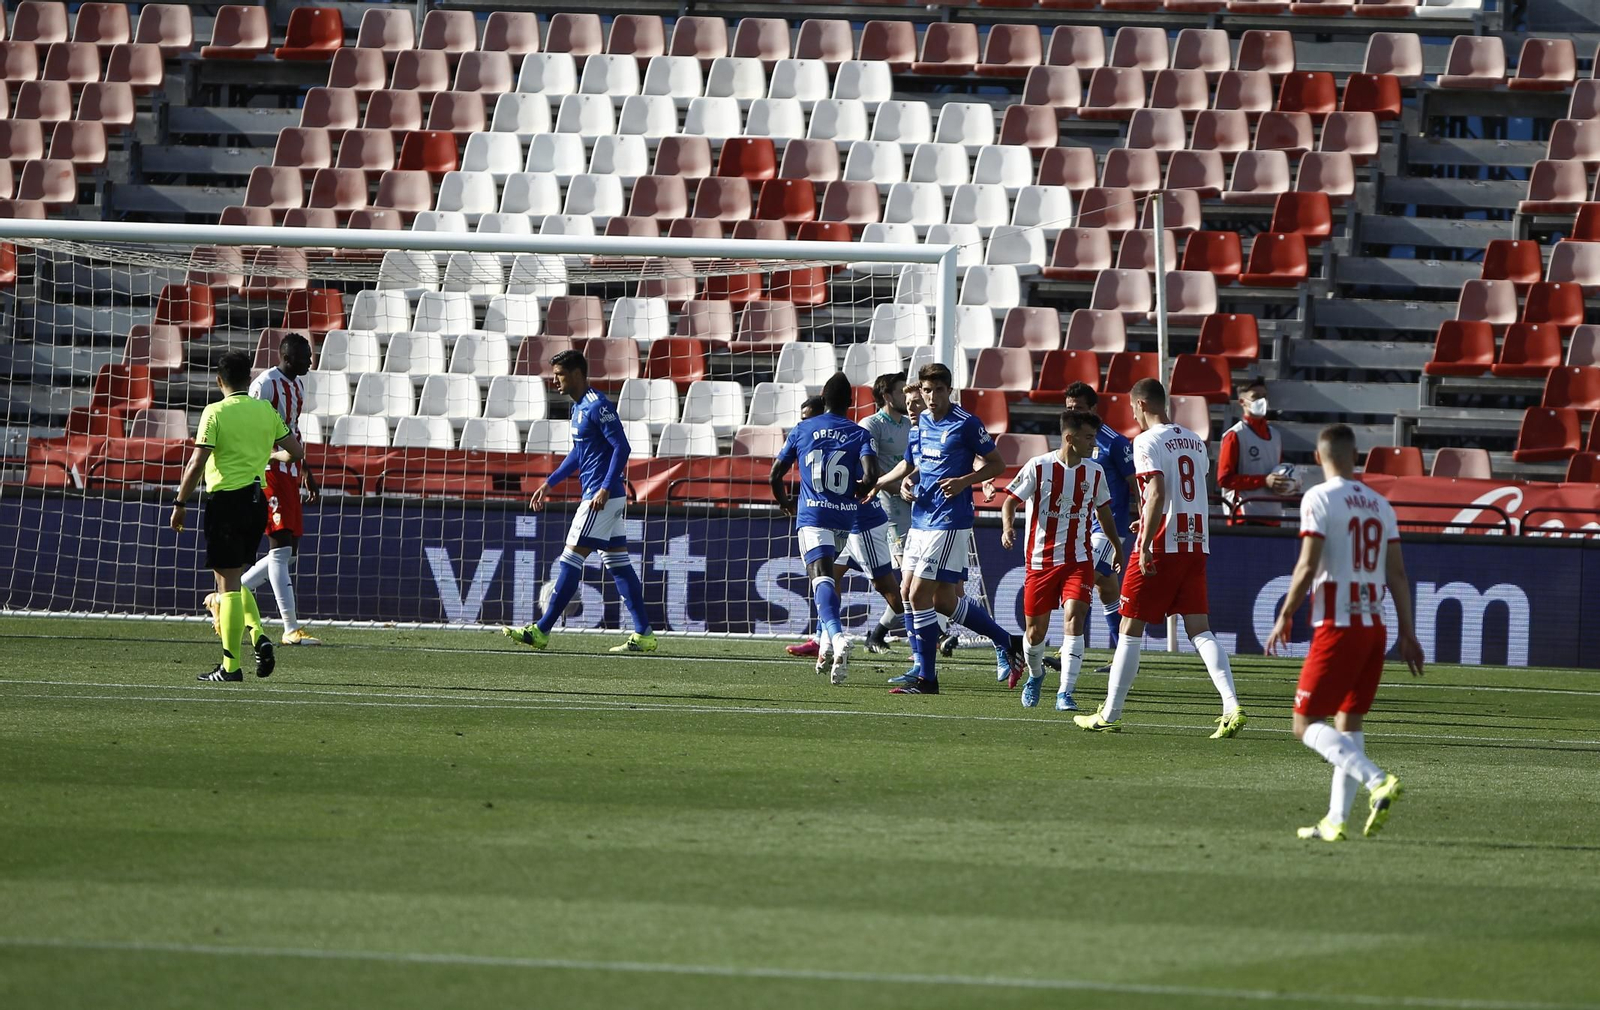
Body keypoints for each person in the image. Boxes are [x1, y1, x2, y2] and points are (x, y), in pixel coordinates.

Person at [1267, 424, 1424, 842]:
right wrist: (1408, 633)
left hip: (1338, 624)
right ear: (1356, 457)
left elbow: (1306, 565)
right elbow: (1398, 574)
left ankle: (1378, 781)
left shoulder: (1319, 497)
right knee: (1348, 721)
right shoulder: (1380, 504)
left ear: (1318, 459)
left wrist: (1286, 614)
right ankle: (1335, 820)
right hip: (1375, 626)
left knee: (1304, 724)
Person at [1073, 377, 1247, 737]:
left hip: (1163, 545)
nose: (1133, 415)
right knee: (1199, 628)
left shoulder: (1146, 440)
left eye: (1133, 408)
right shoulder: (1195, 441)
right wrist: (1153, 519)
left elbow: (1156, 491)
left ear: (1141, 405)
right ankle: (1232, 706)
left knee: (1129, 627)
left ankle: (1110, 712)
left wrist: (1148, 540)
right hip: (1197, 542)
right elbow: (1189, 489)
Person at [874, 363, 1023, 695]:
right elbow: (914, 464)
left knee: (916, 594)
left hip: (950, 521)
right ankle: (1005, 641)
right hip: (921, 517)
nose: (930, 397)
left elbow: (996, 464)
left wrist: (965, 482)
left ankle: (927, 678)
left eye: (937, 390)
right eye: (926, 390)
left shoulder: (966, 424)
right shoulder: (921, 422)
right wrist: (905, 483)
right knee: (938, 599)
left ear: (948, 391)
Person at [504, 349, 657, 654]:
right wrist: (550, 482)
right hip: (605, 496)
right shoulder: (577, 409)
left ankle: (542, 630)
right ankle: (644, 633)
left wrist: (603, 487)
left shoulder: (597, 405)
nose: (554, 381)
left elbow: (622, 448)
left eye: (559, 375)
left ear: (575, 373)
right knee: (620, 565)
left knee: (570, 559)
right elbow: (579, 453)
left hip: (601, 497)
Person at [170, 351, 305, 683]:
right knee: (229, 579)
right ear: (249, 379)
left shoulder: (215, 412)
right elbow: (297, 452)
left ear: (219, 381)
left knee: (227, 584)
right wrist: (270, 453)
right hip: (257, 502)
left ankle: (230, 666)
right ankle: (258, 635)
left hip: (226, 501)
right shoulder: (265, 410)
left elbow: (197, 462)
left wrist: (180, 501)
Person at [999, 410, 1123, 712]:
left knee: (1075, 618)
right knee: (1035, 633)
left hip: (1078, 560)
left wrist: (1117, 546)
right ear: (1070, 438)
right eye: (1089, 437)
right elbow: (1010, 501)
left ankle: (1065, 692)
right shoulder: (1038, 467)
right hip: (1041, 562)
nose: (1094, 444)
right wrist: (1007, 527)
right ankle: (1037, 674)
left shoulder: (1094, 472)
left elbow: (1104, 513)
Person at [784, 372, 912, 658]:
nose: (804, 423)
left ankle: (925, 640)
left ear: (821, 415)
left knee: (888, 587)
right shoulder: (849, 433)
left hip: (861, 521)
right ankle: (822, 639)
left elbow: (868, 478)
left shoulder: (846, 435)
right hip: (843, 522)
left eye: (807, 417)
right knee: (831, 577)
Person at [770, 375, 880, 684]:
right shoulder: (860, 433)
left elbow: (775, 475)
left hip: (814, 516)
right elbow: (872, 476)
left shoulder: (803, 429)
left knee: (821, 580)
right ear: (850, 404)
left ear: (823, 399)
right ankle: (827, 645)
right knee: (829, 580)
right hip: (845, 519)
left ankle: (837, 637)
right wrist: (855, 492)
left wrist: (786, 503)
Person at [214, 333, 323, 646]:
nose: (310, 362)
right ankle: (290, 629)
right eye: (305, 357)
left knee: (288, 554)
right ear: (287, 358)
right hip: (267, 470)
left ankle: (226, 595)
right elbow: (252, 424)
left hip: (289, 470)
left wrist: (305, 469)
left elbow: (291, 430)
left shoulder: (298, 386)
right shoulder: (265, 384)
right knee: (280, 548)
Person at [858, 371, 913, 653]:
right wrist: (896, 488)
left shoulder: (911, 425)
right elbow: (871, 469)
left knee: (918, 578)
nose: (907, 396)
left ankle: (877, 634)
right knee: (910, 578)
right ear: (887, 396)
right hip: (887, 512)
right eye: (901, 391)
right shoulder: (871, 425)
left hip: (916, 509)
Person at [1218, 376, 1296, 525]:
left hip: (1273, 516)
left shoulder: (1275, 435)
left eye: (1264, 396)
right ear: (1242, 402)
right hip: (1244, 516)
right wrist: (1264, 481)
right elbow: (1224, 479)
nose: (1262, 401)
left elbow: (1275, 471)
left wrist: (1287, 483)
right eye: (1256, 397)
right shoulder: (1234, 435)